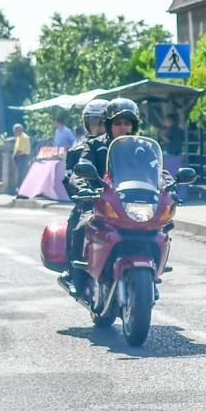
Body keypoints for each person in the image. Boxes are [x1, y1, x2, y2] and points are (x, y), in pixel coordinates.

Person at [64, 98, 138, 293]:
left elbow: (158, 170)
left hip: (130, 204)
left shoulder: (140, 147)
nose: (123, 128)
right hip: (98, 201)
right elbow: (78, 173)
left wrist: (168, 184)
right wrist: (83, 188)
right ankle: (76, 276)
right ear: (109, 125)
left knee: (162, 226)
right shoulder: (95, 146)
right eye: (118, 123)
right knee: (81, 225)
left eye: (127, 123)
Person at [10, 123, 31, 195]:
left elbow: (21, 150)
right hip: (19, 157)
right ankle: (19, 190)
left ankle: (21, 190)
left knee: (21, 174)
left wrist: (14, 155)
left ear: (19, 130)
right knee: (18, 174)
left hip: (23, 157)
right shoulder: (19, 137)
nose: (14, 132)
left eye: (15, 131)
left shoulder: (24, 137)